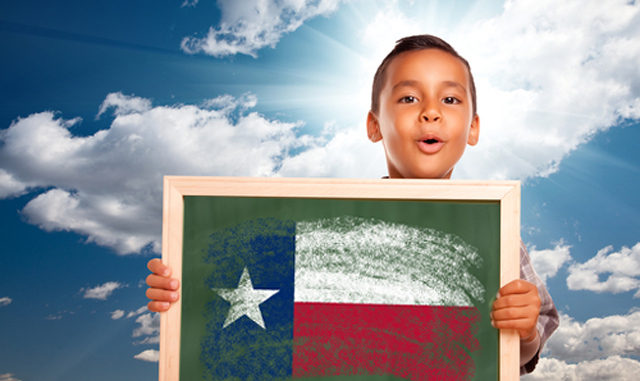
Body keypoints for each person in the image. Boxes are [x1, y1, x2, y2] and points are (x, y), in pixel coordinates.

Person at [146, 34, 559, 375]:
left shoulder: (498, 235)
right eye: (409, 99)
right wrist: (186, 288)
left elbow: (519, 354)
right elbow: (236, 306)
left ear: (473, 128)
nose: (431, 113)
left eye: (450, 100)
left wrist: (524, 332)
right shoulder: (325, 222)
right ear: (374, 125)